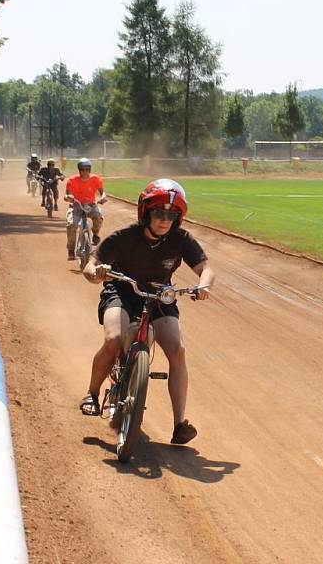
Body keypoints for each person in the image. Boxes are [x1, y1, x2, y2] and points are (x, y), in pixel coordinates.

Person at [81, 179, 215, 445]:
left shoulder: (181, 239)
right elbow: (91, 264)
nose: (164, 220)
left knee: (177, 350)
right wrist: (96, 274)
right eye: (159, 213)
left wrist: (203, 285)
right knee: (113, 340)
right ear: (146, 213)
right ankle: (92, 394)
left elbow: (205, 268)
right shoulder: (124, 237)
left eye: (171, 215)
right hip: (122, 292)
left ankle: (179, 424)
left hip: (159, 298)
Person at [64, 158, 106, 260]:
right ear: (79, 170)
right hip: (76, 206)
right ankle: (71, 249)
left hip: (91, 205)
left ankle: (95, 234)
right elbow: (67, 194)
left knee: (98, 217)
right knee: (72, 225)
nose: (85, 172)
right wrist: (69, 197)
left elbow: (102, 192)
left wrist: (103, 197)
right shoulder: (72, 180)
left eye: (87, 169)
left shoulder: (96, 179)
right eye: (82, 169)